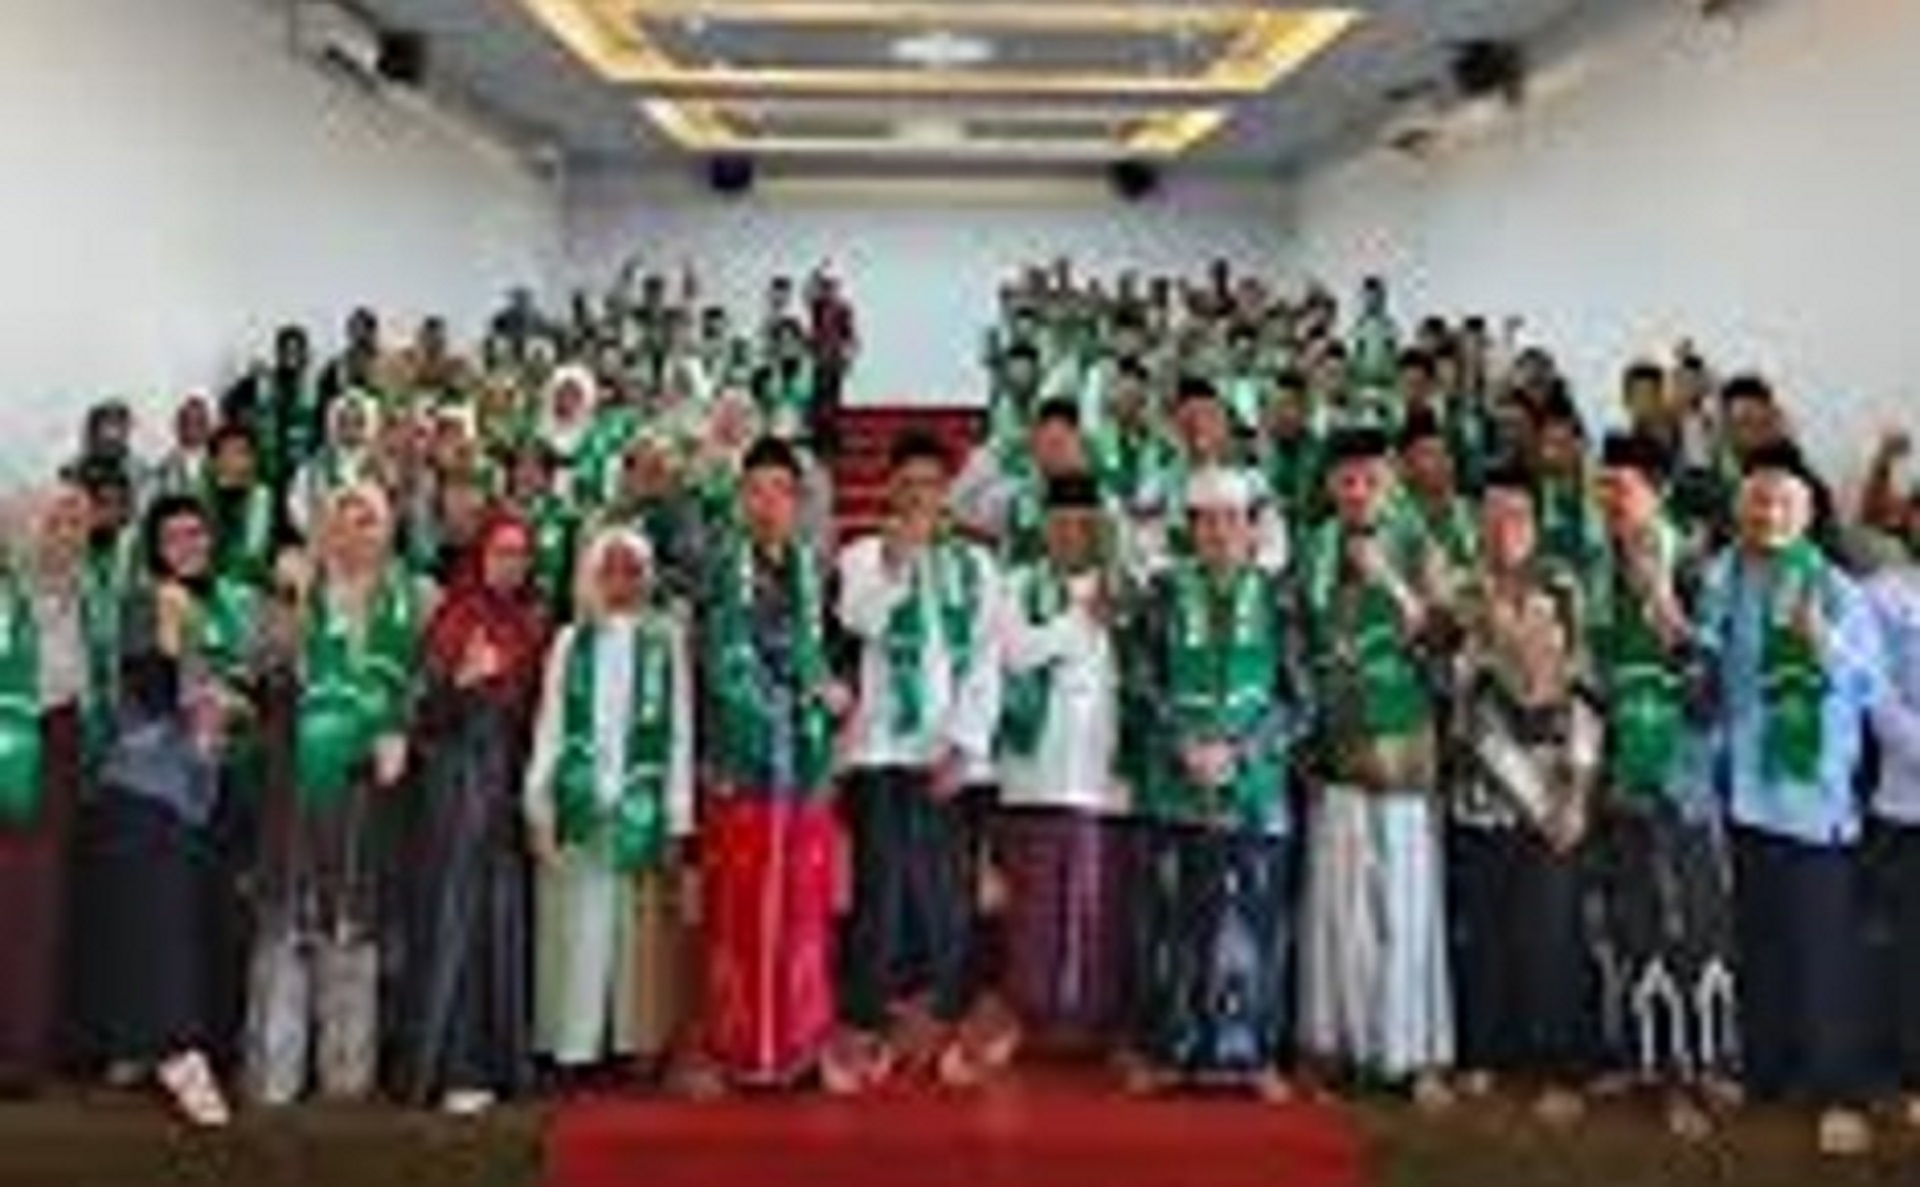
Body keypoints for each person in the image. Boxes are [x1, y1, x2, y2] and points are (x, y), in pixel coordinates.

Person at [1695, 444, 1883, 1156]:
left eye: (1783, 501)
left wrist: (1822, 640)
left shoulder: (1835, 587)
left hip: (1811, 799)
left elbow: (1868, 683)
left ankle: (1839, 1090)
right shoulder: (1724, 578)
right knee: (1761, 939)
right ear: (1738, 508)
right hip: (1743, 792)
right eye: (1756, 499)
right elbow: (1714, 675)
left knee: (1822, 950)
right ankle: (1768, 1071)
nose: (1767, 512)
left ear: (1806, 513)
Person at [245, 482, 426, 1106]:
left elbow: (424, 683)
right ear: (323, 531)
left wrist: (403, 727)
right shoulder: (294, 592)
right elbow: (262, 667)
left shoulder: (413, 599)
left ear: (388, 532)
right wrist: (288, 607)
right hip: (297, 775)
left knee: (354, 914)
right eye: (342, 520)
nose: (354, 533)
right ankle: (274, 1069)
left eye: (368, 520)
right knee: (288, 913)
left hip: (370, 780)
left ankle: (346, 1074)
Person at [834, 429, 1003, 1089]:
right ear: (889, 490)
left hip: (949, 754)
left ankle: (946, 1020)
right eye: (906, 486)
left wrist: (965, 744)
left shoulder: (977, 566)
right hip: (881, 749)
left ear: (946, 493)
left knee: (946, 895)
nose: (918, 497)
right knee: (881, 893)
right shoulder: (862, 556)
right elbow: (861, 619)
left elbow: (986, 658)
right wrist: (897, 564)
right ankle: (868, 1026)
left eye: (930, 486)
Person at [85, 495, 261, 1126]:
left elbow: (252, 686)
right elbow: (149, 687)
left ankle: (161, 1042)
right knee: (158, 923)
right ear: (155, 547)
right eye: (174, 536)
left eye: (197, 532)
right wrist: (181, 647)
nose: (188, 544)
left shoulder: (235, 604)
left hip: (210, 791)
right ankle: (176, 1053)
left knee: (201, 920)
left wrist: (231, 702)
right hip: (147, 786)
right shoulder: (143, 601)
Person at [1127, 467, 1297, 1102]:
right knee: (1172, 923)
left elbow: (1300, 696)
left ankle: (1251, 1056)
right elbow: (1141, 679)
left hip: (1256, 791)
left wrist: (1241, 751)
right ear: (1190, 530)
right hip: (1175, 786)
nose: (1220, 532)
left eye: (1232, 520)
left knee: (1254, 921)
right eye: (1206, 521)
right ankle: (1168, 1052)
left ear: (1252, 530)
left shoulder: (1281, 598)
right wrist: (1183, 743)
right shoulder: (1163, 594)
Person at [1297, 426, 1455, 1108]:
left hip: (1404, 747)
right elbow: (1301, 642)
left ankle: (1413, 1053)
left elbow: (1448, 640)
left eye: (1368, 479)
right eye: (1345, 480)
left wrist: (1393, 582)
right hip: (1337, 746)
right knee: (1340, 907)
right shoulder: (1314, 547)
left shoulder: (1418, 542)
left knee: (1406, 903)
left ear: (1388, 482)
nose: (1357, 491)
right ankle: (1340, 1045)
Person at [1587, 433, 1737, 1141]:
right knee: (1627, 915)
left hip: (1683, 776)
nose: (1610, 500)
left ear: (1658, 492)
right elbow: (1591, 675)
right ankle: (1643, 1060)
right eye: (1602, 487)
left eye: (1622, 487)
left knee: (1692, 921)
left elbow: (1715, 694)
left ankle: (1696, 1069)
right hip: (1618, 768)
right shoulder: (1598, 571)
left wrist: (1664, 605)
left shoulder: (1700, 566)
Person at [1444, 467, 1600, 1124]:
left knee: (1550, 933)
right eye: (1491, 516)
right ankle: (1484, 1050)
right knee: (1482, 929)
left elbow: (1584, 694)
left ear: (1535, 526)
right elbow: (1451, 688)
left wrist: (1577, 793)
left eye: (1516, 516)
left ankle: (1560, 1067)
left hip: (1550, 796)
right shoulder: (1458, 589)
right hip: (1477, 790)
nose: (1503, 528)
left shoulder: (1562, 587)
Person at [694, 437, 849, 1091]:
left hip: (803, 768)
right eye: (755, 491)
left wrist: (828, 695)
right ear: (739, 499)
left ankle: (799, 1041)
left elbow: (818, 657)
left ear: (797, 501)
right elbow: (724, 665)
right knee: (740, 912)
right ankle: (739, 1047)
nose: (767, 504)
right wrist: (787, 718)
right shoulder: (722, 570)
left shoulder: (811, 571)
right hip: (744, 766)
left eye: (780, 492)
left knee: (800, 912)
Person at [523, 527, 695, 1083]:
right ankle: (574, 1046)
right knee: (578, 927)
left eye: (633, 570)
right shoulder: (569, 642)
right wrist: (539, 798)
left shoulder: (664, 641)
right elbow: (550, 723)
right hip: (582, 797)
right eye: (611, 570)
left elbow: (679, 732)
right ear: (592, 578)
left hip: (640, 800)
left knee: (636, 932)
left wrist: (677, 814)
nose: (622, 582)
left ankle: (632, 1042)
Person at [397, 515, 548, 1114]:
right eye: (501, 552)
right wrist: (460, 683)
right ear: (480, 556)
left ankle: (499, 1062)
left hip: (503, 780)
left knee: (498, 917)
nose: (512, 564)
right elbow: (421, 713)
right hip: (456, 783)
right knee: (456, 917)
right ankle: (453, 1064)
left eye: (521, 554)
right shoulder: (454, 616)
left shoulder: (527, 622)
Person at [992, 472, 1128, 1054]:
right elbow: (1016, 652)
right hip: (1038, 768)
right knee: (1038, 902)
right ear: (1043, 527)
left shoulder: (1126, 587)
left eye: (1082, 522)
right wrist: (1079, 622)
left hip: (1105, 769)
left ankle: (1095, 1018)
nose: (1071, 532)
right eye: (1060, 522)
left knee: (1098, 899)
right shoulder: (1017, 583)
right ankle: (1034, 1015)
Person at [0, 486, 90, 1094]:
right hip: (11, 739)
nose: (68, 536)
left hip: (58, 746)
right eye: (55, 523)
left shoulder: (92, 596)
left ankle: (21, 1052)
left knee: (36, 906)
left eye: (77, 524)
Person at [1865, 519, 1920, 1128]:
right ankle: (1910, 1073)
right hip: (1907, 801)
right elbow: (1873, 692)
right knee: (1910, 952)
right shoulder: (1883, 592)